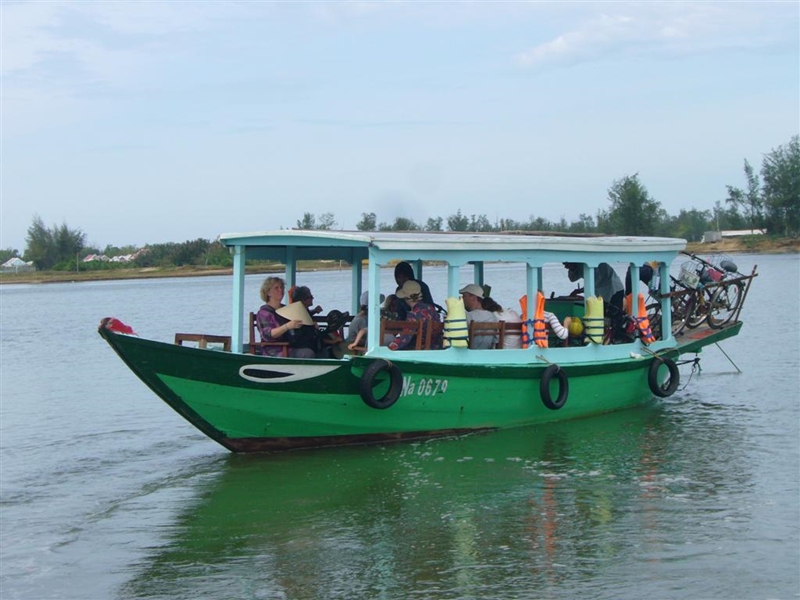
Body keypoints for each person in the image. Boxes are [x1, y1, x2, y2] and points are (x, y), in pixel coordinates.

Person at [255, 277, 316, 358]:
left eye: (282, 287)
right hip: (275, 350)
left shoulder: (286, 309)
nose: (280, 290)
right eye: (276, 288)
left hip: (292, 345)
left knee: (319, 348)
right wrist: (287, 326)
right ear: (268, 292)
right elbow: (268, 335)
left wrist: (310, 324)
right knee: (308, 353)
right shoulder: (264, 312)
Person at [564, 261, 624, 337]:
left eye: (566, 264)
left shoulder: (585, 264)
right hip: (603, 292)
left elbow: (594, 281)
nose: (565, 267)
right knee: (603, 315)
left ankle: (616, 336)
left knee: (615, 315)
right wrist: (572, 269)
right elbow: (572, 279)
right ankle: (605, 335)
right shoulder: (579, 266)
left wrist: (580, 290)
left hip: (614, 288)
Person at [388, 280, 442, 350]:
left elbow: (404, 339)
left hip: (420, 349)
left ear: (405, 298)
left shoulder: (413, 315)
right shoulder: (430, 308)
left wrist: (388, 348)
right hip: (436, 347)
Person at [459, 284, 499, 349]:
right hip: (487, 354)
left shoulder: (468, 316)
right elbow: (496, 340)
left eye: (464, 296)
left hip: (469, 354)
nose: (462, 299)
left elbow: (459, 337)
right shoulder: (492, 316)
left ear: (473, 297)